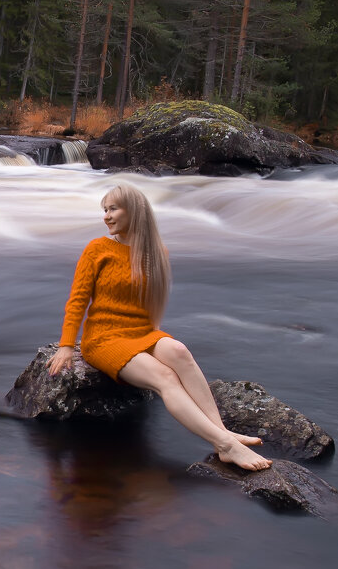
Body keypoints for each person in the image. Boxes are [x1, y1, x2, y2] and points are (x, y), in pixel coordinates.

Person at [47, 184, 272, 471]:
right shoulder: (97, 249)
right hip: (104, 338)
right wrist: (67, 345)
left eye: (113, 208)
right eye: (104, 210)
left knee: (179, 351)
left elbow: (150, 308)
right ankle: (225, 445)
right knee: (165, 377)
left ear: (135, 211)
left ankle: (222, 432)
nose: (106, 216)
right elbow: (77, 301)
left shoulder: (156, 252)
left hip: (141, 332)